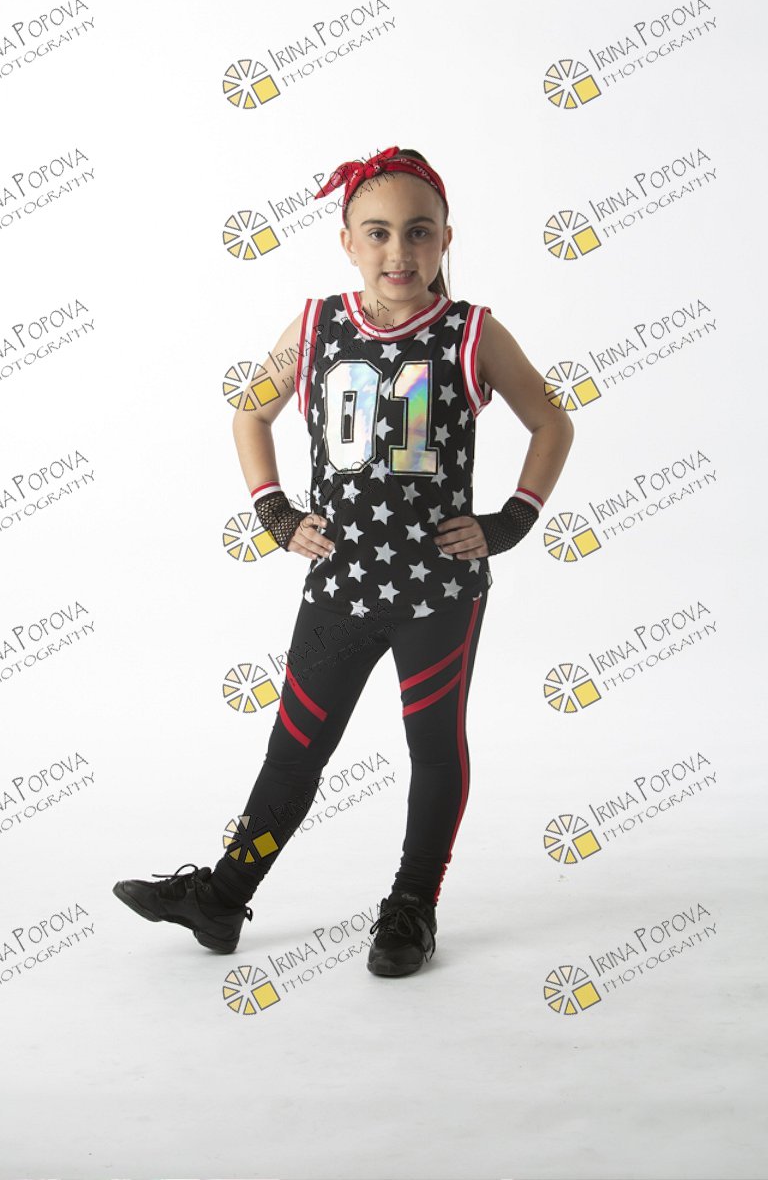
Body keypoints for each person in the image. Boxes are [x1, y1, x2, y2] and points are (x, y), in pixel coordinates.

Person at [113, 145, 574, 979]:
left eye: (419, 232)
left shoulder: (471, 331)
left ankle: (412, 904)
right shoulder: (317, 324)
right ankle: (223, 895)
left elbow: (552, 421)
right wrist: (275, 511)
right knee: (294, 750)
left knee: (433, 747)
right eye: (378, 233)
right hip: (341, 583)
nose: (399, 251)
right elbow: (250, 414)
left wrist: (511, 520)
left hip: (438, 590)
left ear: (445, 239)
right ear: (348, 241)